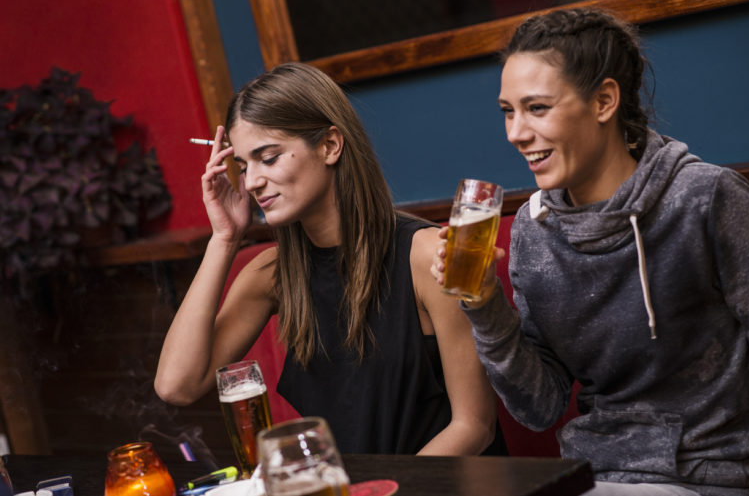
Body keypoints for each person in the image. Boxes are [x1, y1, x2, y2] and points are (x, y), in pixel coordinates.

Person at [431, 8, 749, 495]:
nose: (515, 133)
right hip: (596, 476)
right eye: (508, 110)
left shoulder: (705, 198)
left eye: (537, 108)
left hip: (716, 474)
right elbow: (540, 406)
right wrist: (484, 306)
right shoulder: (532, 230)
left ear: (604, 100)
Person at [154, 62, 504, 456]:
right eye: (243, 166)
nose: (251, 182)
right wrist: (225, 237)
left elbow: (474, 427)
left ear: (330, 146)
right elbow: (177, 386)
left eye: (268, 158)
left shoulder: (425, 256)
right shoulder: (271, 274)